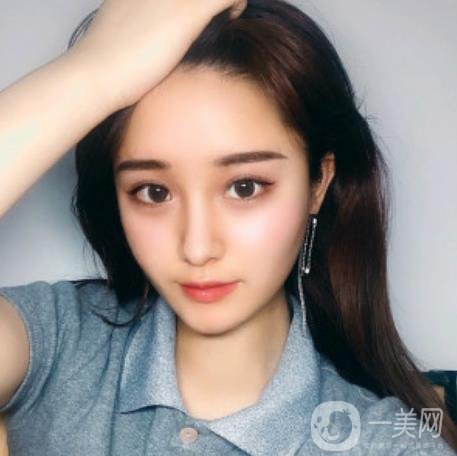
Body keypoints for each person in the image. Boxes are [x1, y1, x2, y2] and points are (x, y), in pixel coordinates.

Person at [0, 0, 455, 454]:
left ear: (318, 183)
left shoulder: (385, 444)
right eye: (153, 192)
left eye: (244, 187)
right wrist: (93, 71)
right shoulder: (59, 340)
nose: (197, 248)